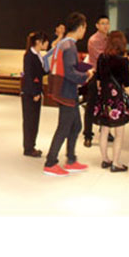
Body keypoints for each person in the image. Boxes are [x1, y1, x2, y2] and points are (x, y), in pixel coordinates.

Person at [44, 12, 94, 176]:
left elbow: (59, 65)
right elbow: (71, 73)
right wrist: (86, 75)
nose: (84, 31)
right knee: (64, 128)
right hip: (66, 91)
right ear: (80, 28)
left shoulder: (62, 43)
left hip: (62, 89)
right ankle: (50, 162)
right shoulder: (70, 46)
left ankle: (71, 159)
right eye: (85, 28)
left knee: (76, 125)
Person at [93, 31, 129, 172]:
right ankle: (116, 163)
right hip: (116, 100)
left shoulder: (101, 58)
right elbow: (127, 85)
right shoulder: (123, 61)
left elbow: (98, 80)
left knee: (104, 130)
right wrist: (128, 99)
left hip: (103, 98)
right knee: (119, 133)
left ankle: (105, 159)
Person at [83, 15, 112, 147]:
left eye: (107, 23)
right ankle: (88, 135)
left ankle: (105, 130)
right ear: (97, 25)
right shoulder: (93, 40)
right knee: (91, 105)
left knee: (107, 104)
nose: (106, 26)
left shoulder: (110, 39)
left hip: (108, 75)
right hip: (95, 75)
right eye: (103, 23)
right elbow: (102, 58)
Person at [21, 31, 49, 158]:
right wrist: (35, 93)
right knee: (29, 121)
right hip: (30, 93)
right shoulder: (29, 55)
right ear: (38, 42)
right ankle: (28, 148)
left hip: (36, 91)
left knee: (35, 121)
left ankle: (32, 145)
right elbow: (29, 76)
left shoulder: (38, 54)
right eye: (45, 42)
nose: (47, 44)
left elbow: (39, 72)